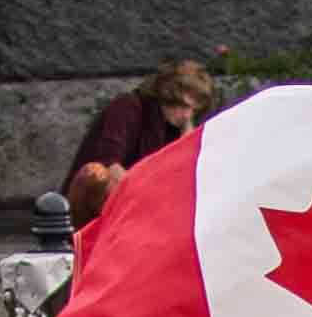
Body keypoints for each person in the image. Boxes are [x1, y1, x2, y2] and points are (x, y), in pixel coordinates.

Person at [63, 58, 211, 221]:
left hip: (129, 211)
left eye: (193, 110)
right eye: (183, 106)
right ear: (168, 95)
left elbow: (183, 177)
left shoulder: (173, 127)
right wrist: (149, 200)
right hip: (90, 209)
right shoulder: (128, 108)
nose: (187, 115)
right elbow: (109, 164)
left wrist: (187, 135)